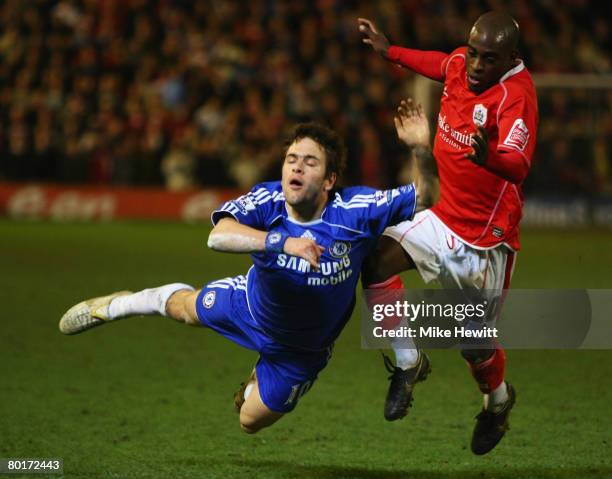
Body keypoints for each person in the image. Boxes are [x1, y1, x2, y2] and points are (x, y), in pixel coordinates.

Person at [59, 116, 422, 434]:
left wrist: (420, 149)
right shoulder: (268, 200)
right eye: (291, 160)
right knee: (186, 310)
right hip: (249, 305)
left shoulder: (356, 211)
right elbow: (218, 236)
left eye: (309, 162)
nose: (295, 168)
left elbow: (425, 196)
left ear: (329, 180)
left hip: (301, 351)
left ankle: (260, 375)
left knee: (248, 421)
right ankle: (118, 305)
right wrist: (281, 242)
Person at [358, 11, 539, 455]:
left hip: (486, 239)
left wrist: (487, 157)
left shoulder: (516, 95)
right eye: (473, 53)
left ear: (511, 58)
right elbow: (438, 62)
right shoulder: (461, 63)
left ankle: (497, 403)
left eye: (488, 59)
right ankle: (408, 361)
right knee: (376, 260)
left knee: (474, 347)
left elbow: (519, 164)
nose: (475, 65)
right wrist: (390, 52)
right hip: (442, 217)